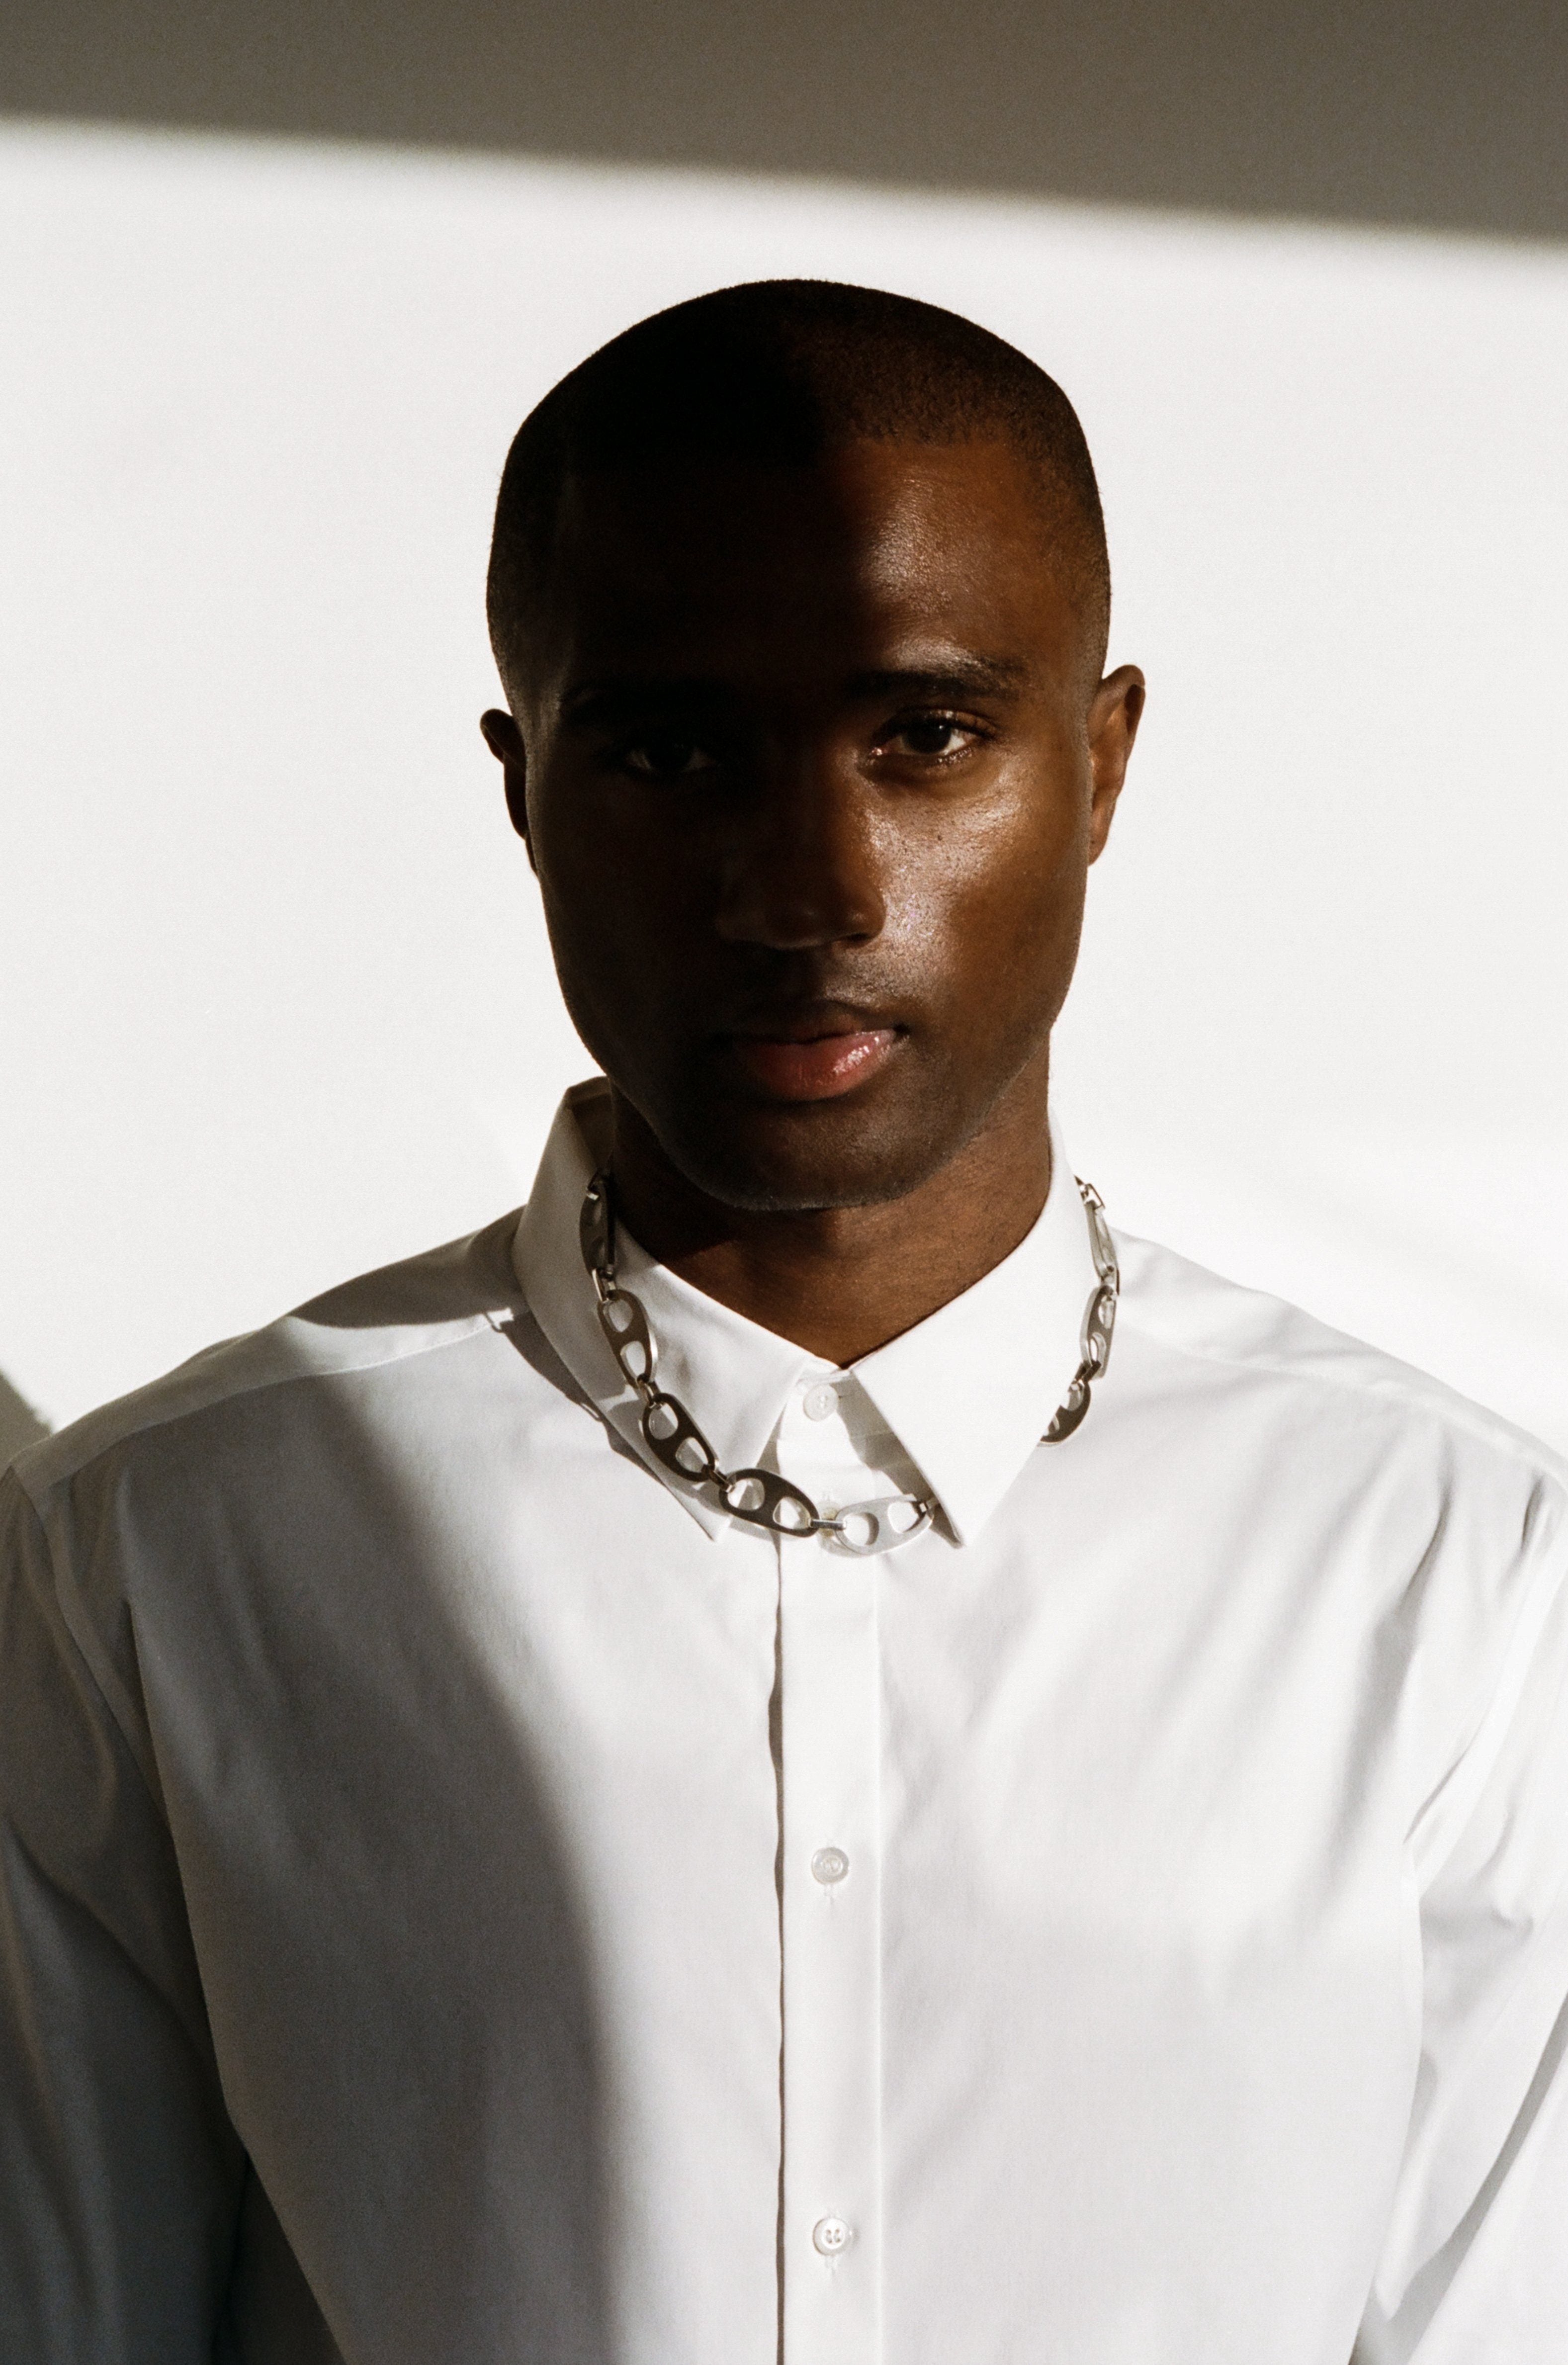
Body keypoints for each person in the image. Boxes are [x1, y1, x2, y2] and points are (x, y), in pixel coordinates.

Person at [1, 280, 1564, 2365]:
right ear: (525, 788)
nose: (806, 887)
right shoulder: (155, 1554)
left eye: (925, 737)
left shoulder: (1454, 1574)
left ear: (1098, 763)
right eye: (670, 751)